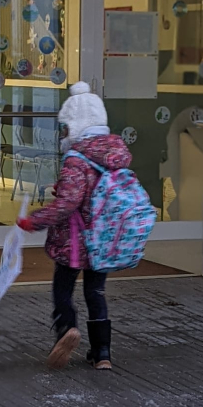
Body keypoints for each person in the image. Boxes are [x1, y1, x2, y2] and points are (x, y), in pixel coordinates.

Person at [17, 81, 130, 371]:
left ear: (77, 124)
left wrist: (35, 220)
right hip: (105, 240)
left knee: (63, 289)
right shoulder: (115, 155)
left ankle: (67, 331)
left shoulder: (77, 159)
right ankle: (102, 353)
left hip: (74, 241)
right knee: (96, 292)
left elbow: (68, 204)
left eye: (66, 127)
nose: (64, 133)